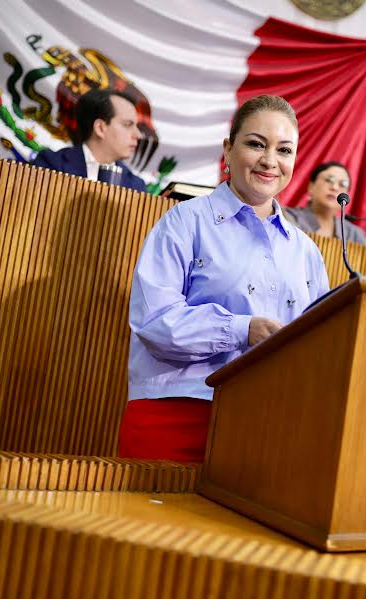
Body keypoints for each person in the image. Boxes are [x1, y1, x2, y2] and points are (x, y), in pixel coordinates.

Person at [120, 94, 330, 462]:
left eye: (284, 150)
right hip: (176, 413)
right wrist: (243, 329)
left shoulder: (307, 252)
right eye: (255, 144)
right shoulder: (184, 222)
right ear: (228, 150)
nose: (270, 161)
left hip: (267, 424)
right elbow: (154, 323)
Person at [32, 88, 146, 192]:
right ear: (100, 128)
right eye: (127, 125)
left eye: (137, 127)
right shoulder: (50, 166)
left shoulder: (135, 186)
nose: (138, 135)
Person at [283, 162, 366, 245]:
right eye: (329, 180)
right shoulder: (287, 217)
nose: (335, 187)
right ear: (311, 186)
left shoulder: (354, 235)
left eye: (343, 184)